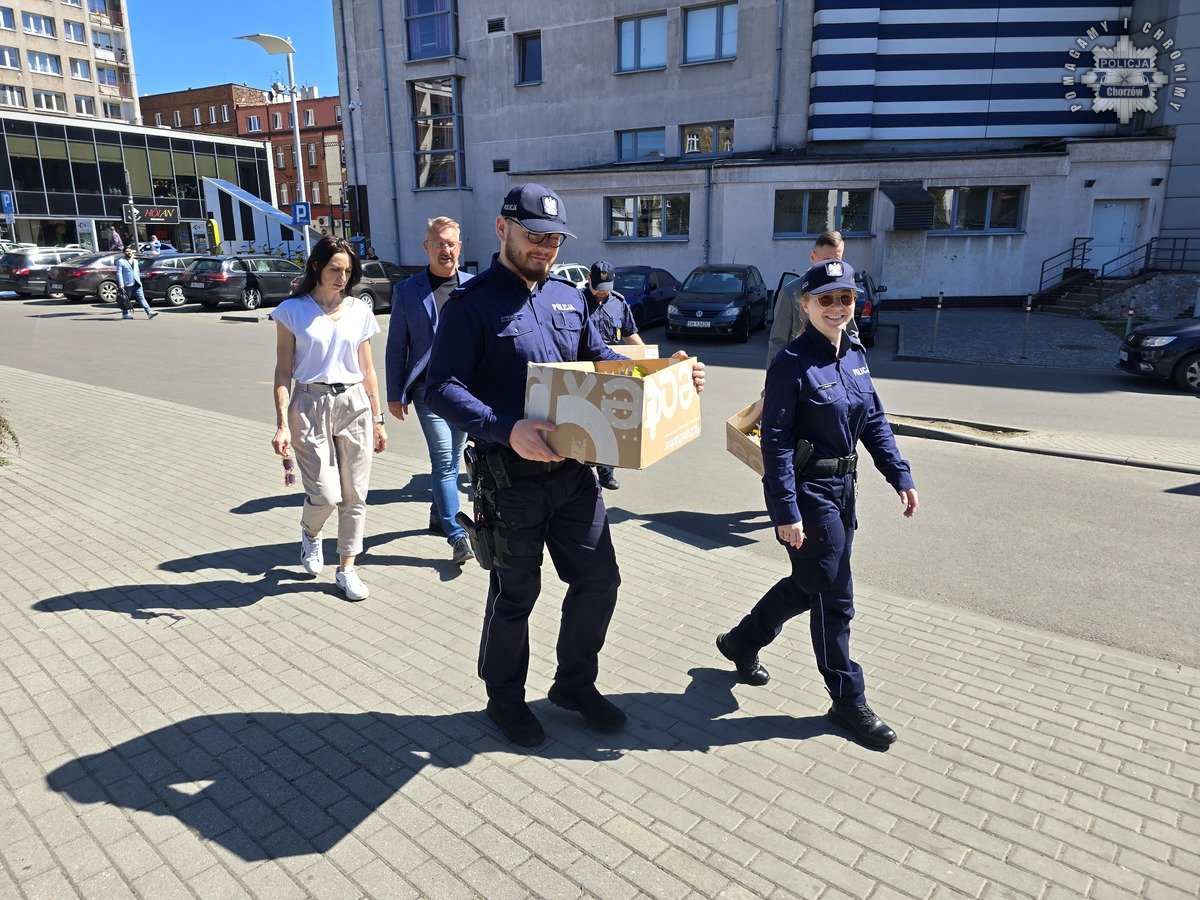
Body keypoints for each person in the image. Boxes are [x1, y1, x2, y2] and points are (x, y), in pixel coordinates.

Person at [425, 183, 706, 747]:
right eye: (535, 236)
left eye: (554, 238)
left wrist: (663, 372)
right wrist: (507, 429)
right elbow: (441, 389)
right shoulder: (470, 305)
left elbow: (600, 359)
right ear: (503, 229)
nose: (546, 248)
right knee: (515, 596)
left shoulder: (568, 297)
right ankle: (504, 700)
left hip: (577, 475)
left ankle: (574, 685)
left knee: (600, 580)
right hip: (512, 480)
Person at [716, 258, 918, 750]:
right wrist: (784, 511)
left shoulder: (855, 355)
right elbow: (777, 443)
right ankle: (847, 698)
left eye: (845, 298)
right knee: (834, 595)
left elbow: (873, 420)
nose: (837, 307)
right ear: (805, 304)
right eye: (826, 299)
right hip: (809, 494)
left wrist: (899, 474)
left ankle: (743, 640)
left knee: (811, 582)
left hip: (844, 491)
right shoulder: (790, 364)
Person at [271, 236, 387, 602]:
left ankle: (347, 569)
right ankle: (311, 531)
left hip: (354, 404)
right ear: (317, 267)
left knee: (355, 495)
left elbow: (368, 369)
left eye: (348, 271)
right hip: (309, 402)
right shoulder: (292, 310)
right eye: (335, 269)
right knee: (325, 493)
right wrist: (281, 423)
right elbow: (283, 370)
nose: (342, 276)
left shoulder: (359, 311)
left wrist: (379, 417)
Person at [385, 216, 475, 565]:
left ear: (459, 247)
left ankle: (439, 513)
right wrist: (395, 393)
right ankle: (457, 535)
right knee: (444, 463)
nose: (445, 250)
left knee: (453, 460)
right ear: (426, 247)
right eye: (438, 243)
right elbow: (397, 345)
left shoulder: (473, 286)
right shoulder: (408, 291)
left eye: (450, 243)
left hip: (467, 392)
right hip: (428, 392)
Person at [581, 259, 644, 491]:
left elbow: (630, 335)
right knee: (584, 419)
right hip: (584, 369)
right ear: (589, 279)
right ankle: (581, 470)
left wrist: (648, 362)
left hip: (611, 369)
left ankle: (606, 472)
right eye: (597, 287)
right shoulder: (576, 301)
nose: (601, 293)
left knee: (609, 420)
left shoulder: (618, 302)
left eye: (605, 288)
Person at [766, 230, 859, 365]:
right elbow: (778, 341)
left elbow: (851, 333)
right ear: (812, 257)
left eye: (836, 260)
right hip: (800, 370)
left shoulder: (845, 292)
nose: (831, 267)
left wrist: (857, 366)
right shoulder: (791, 291)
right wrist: (773, 378)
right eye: (826, 260)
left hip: (834, 366)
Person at [115, 246, 157, 320]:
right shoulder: (120, 261)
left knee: (141, 298)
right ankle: (125, 314)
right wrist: (121, 284)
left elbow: (137, 272)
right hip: (127, 284)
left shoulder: (135, 261)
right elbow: (119, 273)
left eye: (130, 251)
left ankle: (149, 312)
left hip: (137, 283)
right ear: (124, 253)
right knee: (125, 299)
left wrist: (139, 280)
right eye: (127, 251)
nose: (129, 253)